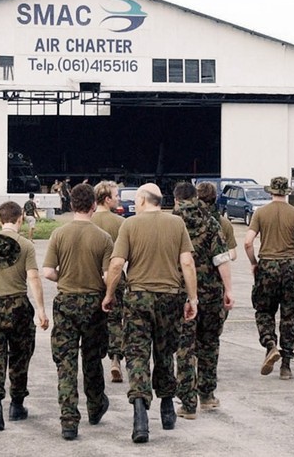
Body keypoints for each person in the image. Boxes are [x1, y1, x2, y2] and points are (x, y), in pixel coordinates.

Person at [102, 183, 199, 444]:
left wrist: (110, 294)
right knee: (165, 352)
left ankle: (140, 418)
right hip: (170, 297)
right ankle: (167, 408)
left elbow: (117, 263)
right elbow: (187, 262)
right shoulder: (176, 224)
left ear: (144, 200)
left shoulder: (129, 225)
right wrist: (192, 298)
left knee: (137, 356)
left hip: (138, 298)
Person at [43, 183, 113, 440]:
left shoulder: (59, 235)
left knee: (66, 363)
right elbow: (108, 276)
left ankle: (69, 420)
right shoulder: (103, 238)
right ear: (94, 206)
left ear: (71, 205)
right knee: (92, 359)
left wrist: (66, 276)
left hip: (66, 302)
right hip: (93, 303)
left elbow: (48, 271)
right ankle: (95, 407)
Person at [0, 201, 48, 431]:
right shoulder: (26, 245)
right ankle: (16, 404)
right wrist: (42, 310)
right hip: (18, 306)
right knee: (19, 356)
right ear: (20, 219)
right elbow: (33, 278)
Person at [172, 182, 235, 420]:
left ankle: (188, 403)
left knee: (185, 348)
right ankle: (207, 395)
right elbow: (222, 259)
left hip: (182, 294)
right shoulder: (210, 223)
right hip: (210, 294)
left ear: (176, 200)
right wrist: (228, 290)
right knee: (209, 344)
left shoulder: (171, 224)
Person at [243, 176, 294, 380]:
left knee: (264, 311)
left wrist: (254, 263)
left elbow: (247, 242)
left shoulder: (261, 213)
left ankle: (270, 344)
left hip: (267, 266)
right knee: (289, 316)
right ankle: (286, 366)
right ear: (287, 192)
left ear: (270, 191)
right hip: (290, 266)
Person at [91, 180, 126, 383]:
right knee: (115, 320)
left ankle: (94, 361)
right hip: (115, 278)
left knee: (94, 322)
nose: (119, 198)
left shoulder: (89, 221)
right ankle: (115, 359)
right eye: (116, 195)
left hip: (92, 279)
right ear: (107, 199)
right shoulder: (121, 223)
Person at [196, 181, 238, 262]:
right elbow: (233, 255)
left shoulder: (188, 219)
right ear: (215, 198)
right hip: (215, 271)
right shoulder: (224, 222)